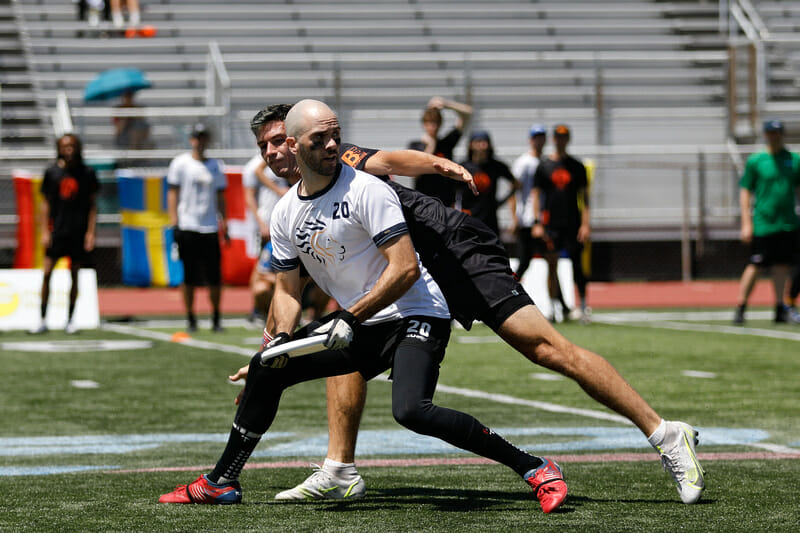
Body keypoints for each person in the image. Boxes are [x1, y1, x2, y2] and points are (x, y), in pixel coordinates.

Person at [229, 104, 704, 506]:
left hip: (451, 250)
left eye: (279, 141)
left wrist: (438, 164)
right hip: (406, 275)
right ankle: (339, 467)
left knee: (544, 348)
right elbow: (286, 294)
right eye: (264, 146)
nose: (274, 153)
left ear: (299, 142)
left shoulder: (341, 164)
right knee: (347, 334)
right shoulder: (295, 205)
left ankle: (664, 434)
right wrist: (271, 357)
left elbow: (392, 158)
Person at [159, 99, 570, 514]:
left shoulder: (367, 189)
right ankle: (221, 482)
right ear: (296, 145)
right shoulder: (285, 212)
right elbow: (286, 294)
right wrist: (277, 346)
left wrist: (351, 316)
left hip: (415, 313)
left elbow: (406, 269)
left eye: (335, 136)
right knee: (265, 369)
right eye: (319, 139)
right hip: (360, 322)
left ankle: (536, 468)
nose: (332, 145)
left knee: (412, 411)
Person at [30, 134, 99, 335]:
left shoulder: (86, 173)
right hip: (56, 231)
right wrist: (44, 230)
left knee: (74, 274)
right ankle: (42, 319)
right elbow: (45, 204)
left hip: (77, 231)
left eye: (72, 146)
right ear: (59, 148)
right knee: (47, 273)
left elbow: (92, 205)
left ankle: (70, 319)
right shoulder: (52, 172)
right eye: (64, 146)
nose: (68, 149)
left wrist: (90, 232)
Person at [733, 119, 800, 324]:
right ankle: (741, 306)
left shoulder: (794, 159)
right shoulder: (756, 161)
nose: (774, 136)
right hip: (764, 223)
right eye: (770, 132)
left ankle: (779, 307)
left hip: (787, 222)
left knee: (781, 266)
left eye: (777, 132)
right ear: (765, 134)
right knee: (756, 264)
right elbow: (745, 190)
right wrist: (746, 222)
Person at [167, 123, 228, 333]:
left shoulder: (215, 165)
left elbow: (220, 196)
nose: (199, 141)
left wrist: (224, 222)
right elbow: (173, 193)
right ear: (191, 139)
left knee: (214, 277)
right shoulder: (180, 163)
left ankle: (216, 317)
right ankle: (191, 317)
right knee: (189, 276)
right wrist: (174, 221)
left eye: (203, 137)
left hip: (209, 226)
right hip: (188, 225)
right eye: (196, 137)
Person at [531, 124, 591, 320]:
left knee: (577, 265)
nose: (560, 140)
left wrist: (585, 224)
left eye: (564, 137)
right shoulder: (544, 166)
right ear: (553, 139)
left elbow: (585, 197)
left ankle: (582, 306)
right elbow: (536, 195)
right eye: (558, 137)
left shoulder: (577, 166)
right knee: (552, 265)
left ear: (568, 139)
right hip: (551, 224)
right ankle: (554, 307)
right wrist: (537, 222)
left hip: (572, 223)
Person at [242, 154, 290, 324]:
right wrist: (260, 222)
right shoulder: (255, 165)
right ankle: (257, 308)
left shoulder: (285, 161)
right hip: (267, 221)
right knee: (261, 267)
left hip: (283, 221)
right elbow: (250, 195)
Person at [407, 96, 473, 207]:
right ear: (424, 124)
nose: (433, 127)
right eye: (430, 123)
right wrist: (430, 146)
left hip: (445, 203)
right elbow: (415, 173)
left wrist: (446, 104)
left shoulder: (446, 144)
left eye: (436, 123)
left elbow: (468, 113)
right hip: (423, 203)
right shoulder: (416, 146)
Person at [455, 129, 518, 236]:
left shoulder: (496, 166)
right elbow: (452, 192)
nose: (483, 145)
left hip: (490, 222)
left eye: (485, 142)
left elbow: (516, 183)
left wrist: (500, 202)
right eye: (479, 142)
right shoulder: (463, 167)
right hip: (468, 221)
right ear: (471, 145)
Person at [511, 124, 547, 280]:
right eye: (535, 137)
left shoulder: (545, 161)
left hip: (543, 218)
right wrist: (514, 218)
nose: (538, 141)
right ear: (530, 140)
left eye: (541, 137)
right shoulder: (524, 162)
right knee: (524, 260)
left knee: (552, 260)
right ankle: (511, 290)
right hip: (527, 219)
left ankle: (559, 302)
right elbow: (513, 191)